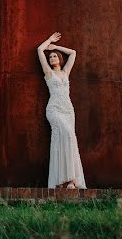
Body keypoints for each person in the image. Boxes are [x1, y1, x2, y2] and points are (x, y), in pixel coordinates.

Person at [37, 31, 86, 189]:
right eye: (50, 57)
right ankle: (62, 179)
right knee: (64, 135)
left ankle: (70, 180)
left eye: (54, 56)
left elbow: (73, 53)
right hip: (55, 110)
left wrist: (56, 46)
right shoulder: (48, 73)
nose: (52, 58)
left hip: (68, 110)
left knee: (70, 139)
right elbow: (39, 50)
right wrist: (48, 40)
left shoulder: (65, 72)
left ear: (59, 58)